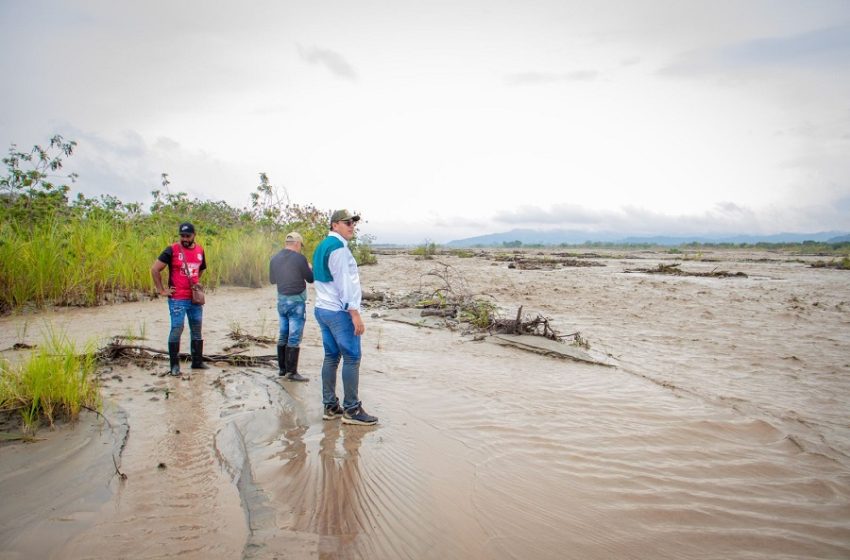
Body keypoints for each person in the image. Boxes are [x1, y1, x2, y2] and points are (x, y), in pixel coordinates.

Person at [312, 209, 378, 426]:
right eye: (347, 222)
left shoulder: (322, 246)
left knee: (331, 357)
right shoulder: (338, 249)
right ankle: (351, 409)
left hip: (322, 308)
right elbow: (344, 284)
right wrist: (355, 313)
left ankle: (330, 406)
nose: (352, 226)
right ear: (334, 225)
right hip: (338, 311)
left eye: (353, 223)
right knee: (352, 357)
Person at [151, 222, 209, 376]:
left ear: (194, 235)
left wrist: (195, 282)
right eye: (182, 236)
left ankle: (197, 362)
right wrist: (161, 290)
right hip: (177, 298)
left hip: (194, 299)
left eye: (187, 236)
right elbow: (155, 269)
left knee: (197, 329)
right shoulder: (172, 250)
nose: (184, 238)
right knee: (177, 328)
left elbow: (201, 268)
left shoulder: (200, 250)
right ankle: (174, 366)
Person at [269, 231, 314, 382]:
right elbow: (311, 279)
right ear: (296, 243)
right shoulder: (300, 259)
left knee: (283, 334)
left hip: (281, 301)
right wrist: (309, 267)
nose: (300, 248)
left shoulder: (274, 258)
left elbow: (272, 280)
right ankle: (292, 372)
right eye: (300, 245)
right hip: (296, 302)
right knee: (294, 337)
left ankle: (282, 369)